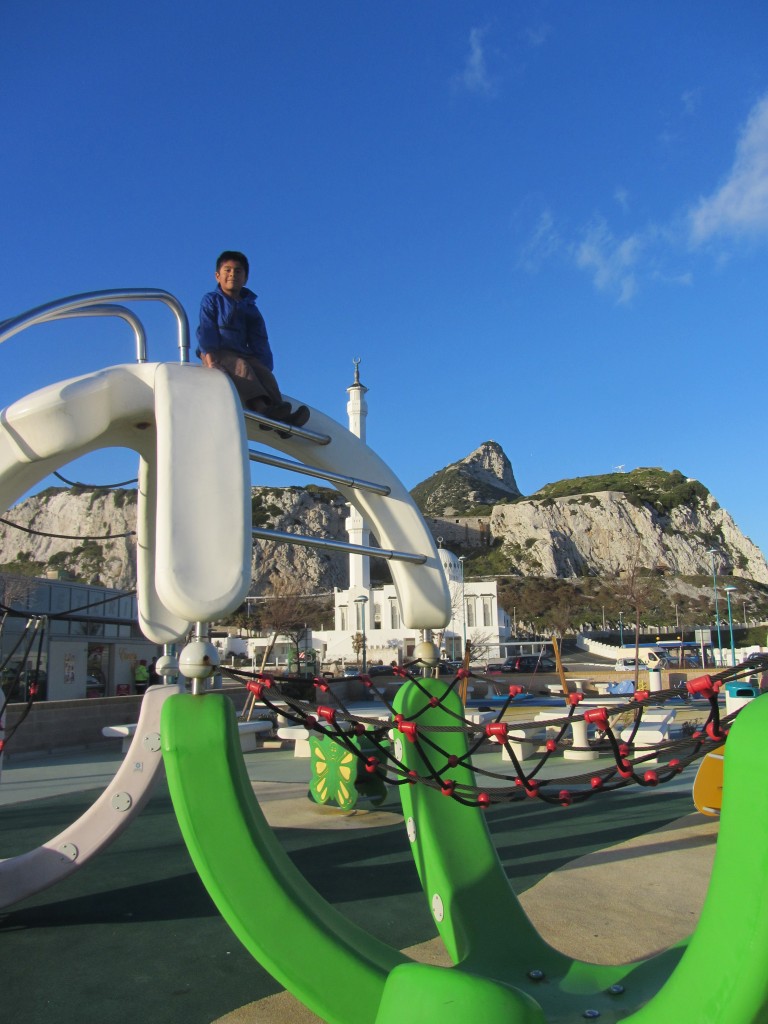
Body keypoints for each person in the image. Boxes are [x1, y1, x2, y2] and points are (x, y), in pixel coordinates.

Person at [196, 251, 310, 429]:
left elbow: (259, 339)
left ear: (246, 278)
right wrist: (210, 358)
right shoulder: (212, 300)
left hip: (242, 352)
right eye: (227, 270)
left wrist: (264, 366)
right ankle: (261, 409)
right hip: (216, 351)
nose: (232, 274)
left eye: (238, 271)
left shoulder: (249, 308)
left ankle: (281, 412)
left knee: (262, 373)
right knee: (242, 366)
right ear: (218, 276)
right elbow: (206, 328)